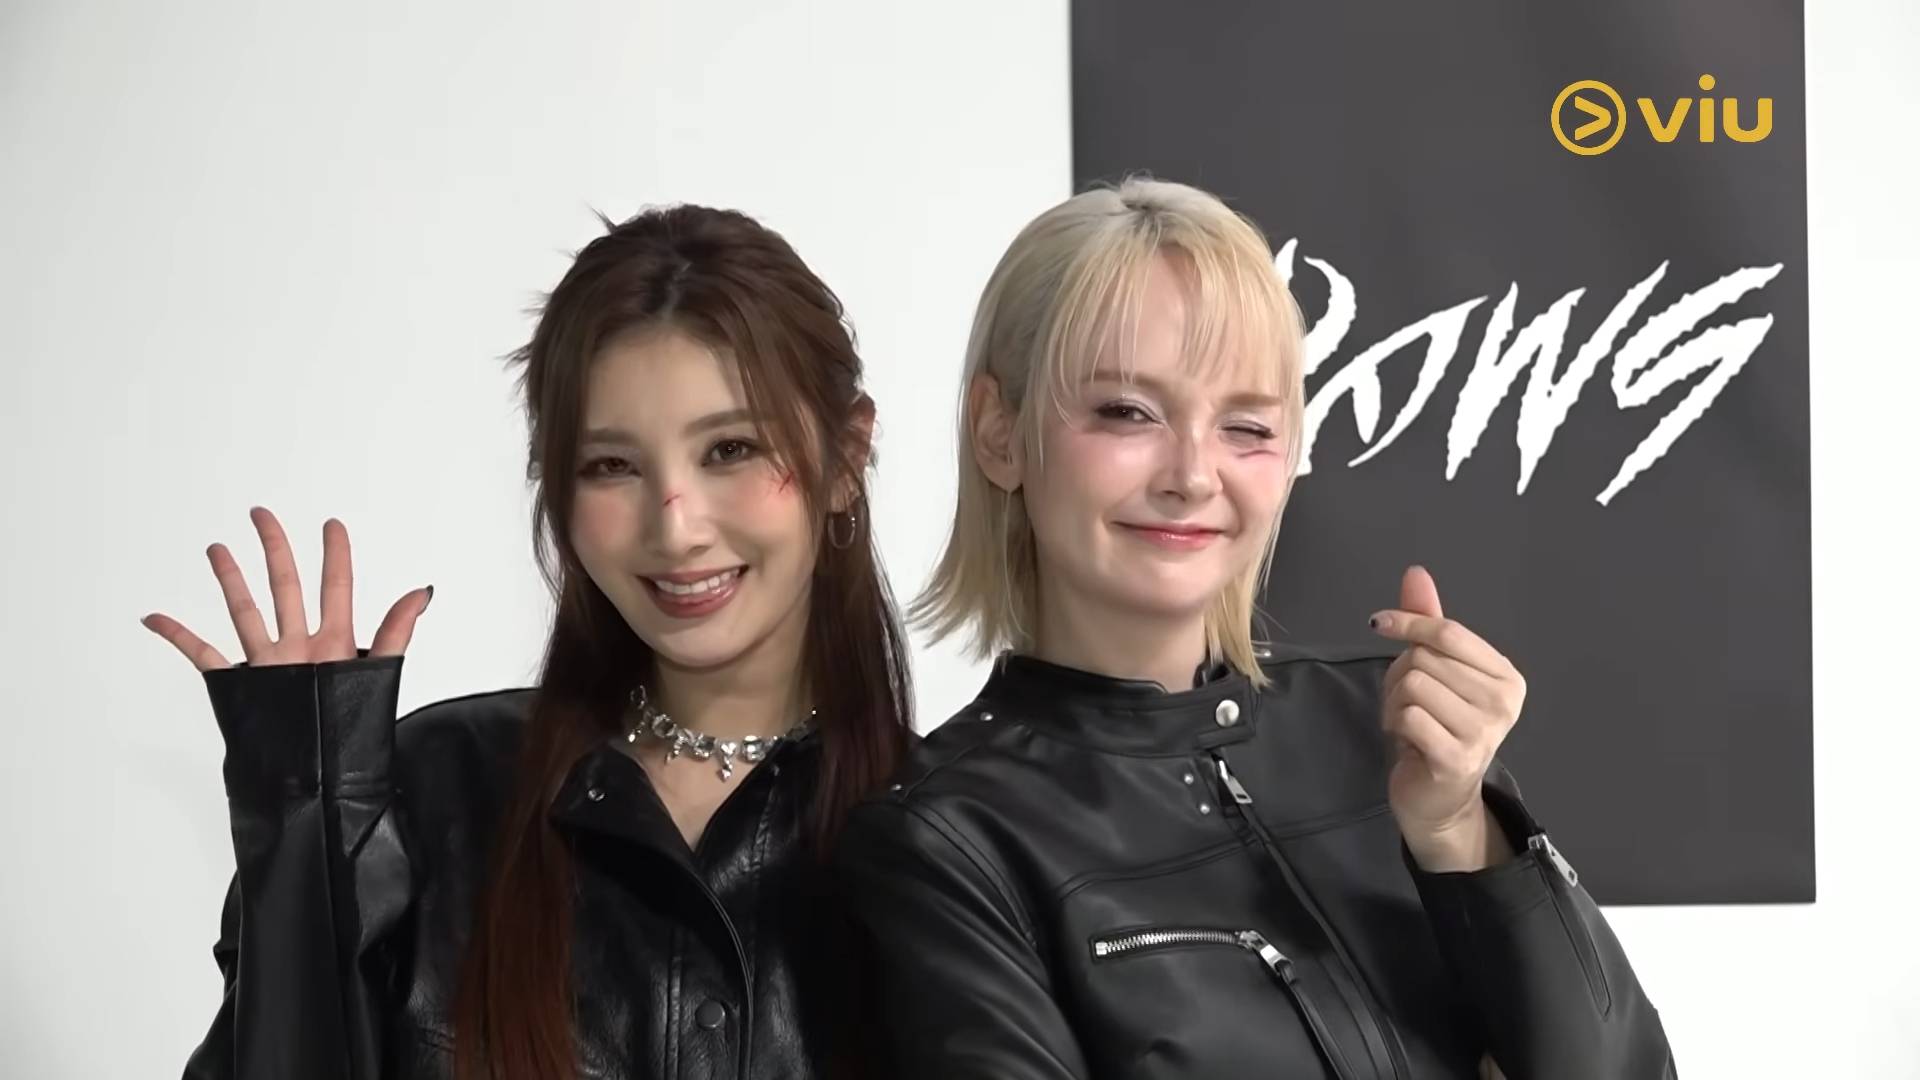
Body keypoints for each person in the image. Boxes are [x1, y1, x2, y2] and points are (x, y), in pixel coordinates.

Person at [833, 178, 1675, 1079]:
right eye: (1127, 412)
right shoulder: (946, 839)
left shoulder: (1392, 723)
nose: (1194, 475)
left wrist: (1459, 832)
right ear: (1000, 433)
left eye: (1246, 425)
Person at [146, 204, 913, 1079]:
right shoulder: (428, 795)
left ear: (847, 457)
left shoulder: (942, 840)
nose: (676, 527)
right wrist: (305, 813)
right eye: (611, 465)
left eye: (730, 449)